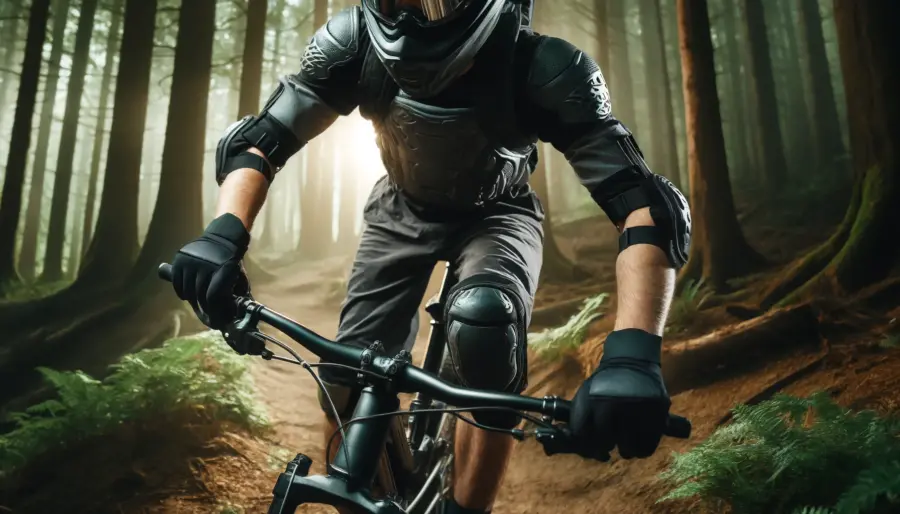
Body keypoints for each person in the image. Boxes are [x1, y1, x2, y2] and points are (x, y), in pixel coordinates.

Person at [169, 0, 692, 512]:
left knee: (487, 323)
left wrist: (632, 354)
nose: (417, 14)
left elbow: (643, 204)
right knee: (345, 372)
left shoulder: (543, 66)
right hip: (399, 210)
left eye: (438, 1)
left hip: (500, 215)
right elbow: (262, 139)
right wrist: (223, 234)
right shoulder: (354, 41)